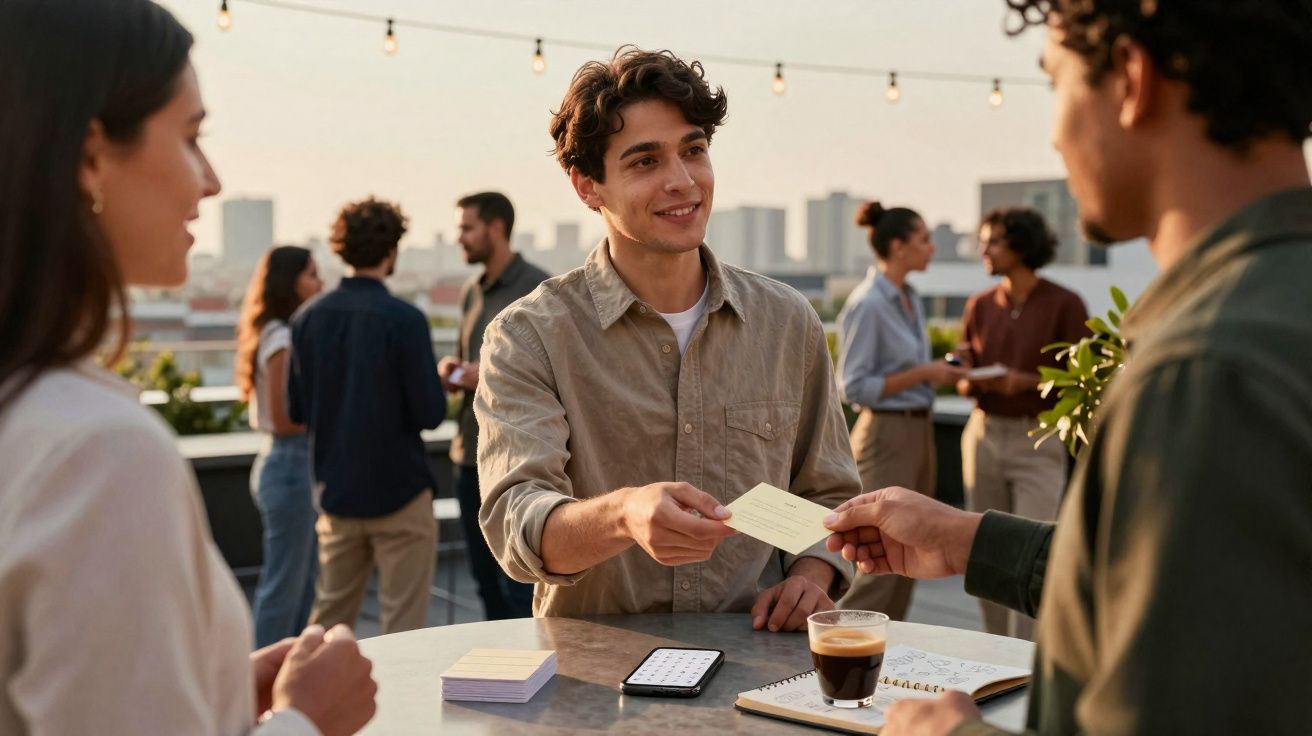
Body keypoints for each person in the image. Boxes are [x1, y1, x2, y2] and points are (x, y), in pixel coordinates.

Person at [823, 1, 1312, 733]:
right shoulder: (1270, 316)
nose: (1054, 134)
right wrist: (969, 540)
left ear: (1131, 78)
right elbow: (1191, 596)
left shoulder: (1203, 375)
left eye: (1055, 84)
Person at [0, 1, 376, 733]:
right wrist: (308, 719)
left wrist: (209, 687)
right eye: (191, 136)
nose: (211, 179)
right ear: (88, 156)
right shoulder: (97, 451)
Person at [475, 48, 860, 631]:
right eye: (645, 161)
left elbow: (827, 494)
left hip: (759, 668)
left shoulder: (788, 322)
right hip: (595, 684)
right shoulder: (528, 336)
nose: (682, 181)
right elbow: (517, 524)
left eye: (694, 151)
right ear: (587, 187)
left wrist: (813, 575)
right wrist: (624, 515)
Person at [288, 198, 445, 635]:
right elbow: (430, 413)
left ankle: (306, 700)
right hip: (400, 492)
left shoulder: (306, 319)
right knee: (404, 628)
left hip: (337, 494)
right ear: (391, 250)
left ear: (340, 248)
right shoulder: (406, 320)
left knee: (328, 620)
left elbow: (297, 410)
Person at [954, 207, 1088, 640]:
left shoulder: (1066, 304)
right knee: (985, 552)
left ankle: (1028, 664)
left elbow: (1082, 382)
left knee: (1034, 556)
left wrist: (1023, 382)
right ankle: (996, 654)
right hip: (983, 434)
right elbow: (963, 359)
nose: (983, 250)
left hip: (1040, 437)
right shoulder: (978, 304)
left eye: (993, 241)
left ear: (1021, 246)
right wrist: (961, 373)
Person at [835, 203, 966, 620]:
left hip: (918, 433)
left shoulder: (910, 297)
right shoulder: (869, 303)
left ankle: (887, 662)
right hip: (886, 436)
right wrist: (923, 372)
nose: (931, 247)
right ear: (898, 246)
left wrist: (937, 367)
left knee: (911, 555)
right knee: (878, 561)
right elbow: (852, 385)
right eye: (923, 239)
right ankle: (833, 657)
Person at [438, 192, 547, 620]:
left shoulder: (539, 290)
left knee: (522, 586)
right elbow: (468, 360)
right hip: (469, 457)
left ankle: (537, 677)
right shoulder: (470, 292)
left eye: (467, 227)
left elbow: (555, 376)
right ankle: (499, 681)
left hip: (517, 461)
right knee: (483, 582)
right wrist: (453, 370)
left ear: (496, 228)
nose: (459, 237)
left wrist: (484, 376)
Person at [237, 246, 324, 648]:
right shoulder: (282, 338)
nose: (320, 282)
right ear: (289, 283)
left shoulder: (279, 332)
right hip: (289, 466)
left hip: (288, 466)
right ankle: (254, 686)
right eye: (310, 274)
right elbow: (285, 418)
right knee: (283, 589)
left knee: (301, 588)